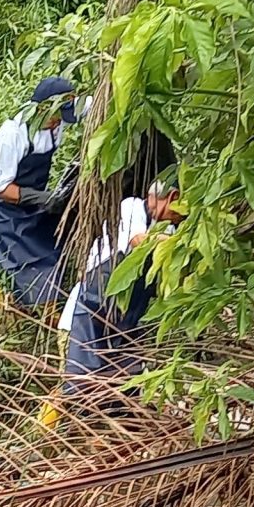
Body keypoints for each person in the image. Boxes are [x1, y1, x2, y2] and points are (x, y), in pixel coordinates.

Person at [39, 180, 184, 429]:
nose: (180, 218)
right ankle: (42, 441)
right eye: (181, 209)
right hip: (81, 322)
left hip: (120, 328)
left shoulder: (167, 232)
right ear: (173, 197)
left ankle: (102, 448)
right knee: (75, 389)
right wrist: (185, 244)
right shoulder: (132, 209)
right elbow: (138, 241)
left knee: (118, 394)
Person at [0, 76, 77, 309]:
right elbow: (0, 187)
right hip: (6, 211)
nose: (59, 123)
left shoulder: (57, 120)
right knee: (25, 263)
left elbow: (95, 105)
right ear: (43, 108)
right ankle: (26, 307)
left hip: (34, 202)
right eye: (56, 117)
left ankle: (33, 304)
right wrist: (42, 198)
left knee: (50, 251)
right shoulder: (13, 134)